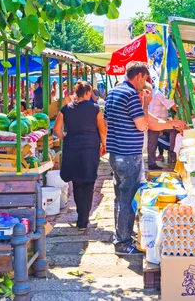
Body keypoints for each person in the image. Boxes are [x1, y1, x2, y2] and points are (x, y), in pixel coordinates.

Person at [104, 61, 150, 256]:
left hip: (115, 153)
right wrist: (145, 104)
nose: (145, 84)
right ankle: (123, 243)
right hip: (129, 154)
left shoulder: (113, 92)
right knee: (128, 199)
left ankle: (121, 236)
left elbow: (106, 121)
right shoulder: (131, 95)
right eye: (145, 80)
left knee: (120, 198)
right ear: (138, 76)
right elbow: (142, 125)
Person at [53, 82, 106, 231]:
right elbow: (102, 130)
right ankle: (83, 219)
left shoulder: (66, 109)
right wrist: (105, 146)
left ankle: (81, 216)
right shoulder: (96, 109)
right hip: (90, 148)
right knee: (88, 182)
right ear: (88, 93)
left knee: (76, 182)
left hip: (72, 148)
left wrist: (66, 138)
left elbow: (56, 129)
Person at [147, 86, 181, 170]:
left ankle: (169, 154)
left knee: (152, 143)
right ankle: (171, 154)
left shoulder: (156, 91)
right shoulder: (162, 93)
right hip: (157, 122)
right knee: (153, 143)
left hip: (157, 120)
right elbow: (173, 106)